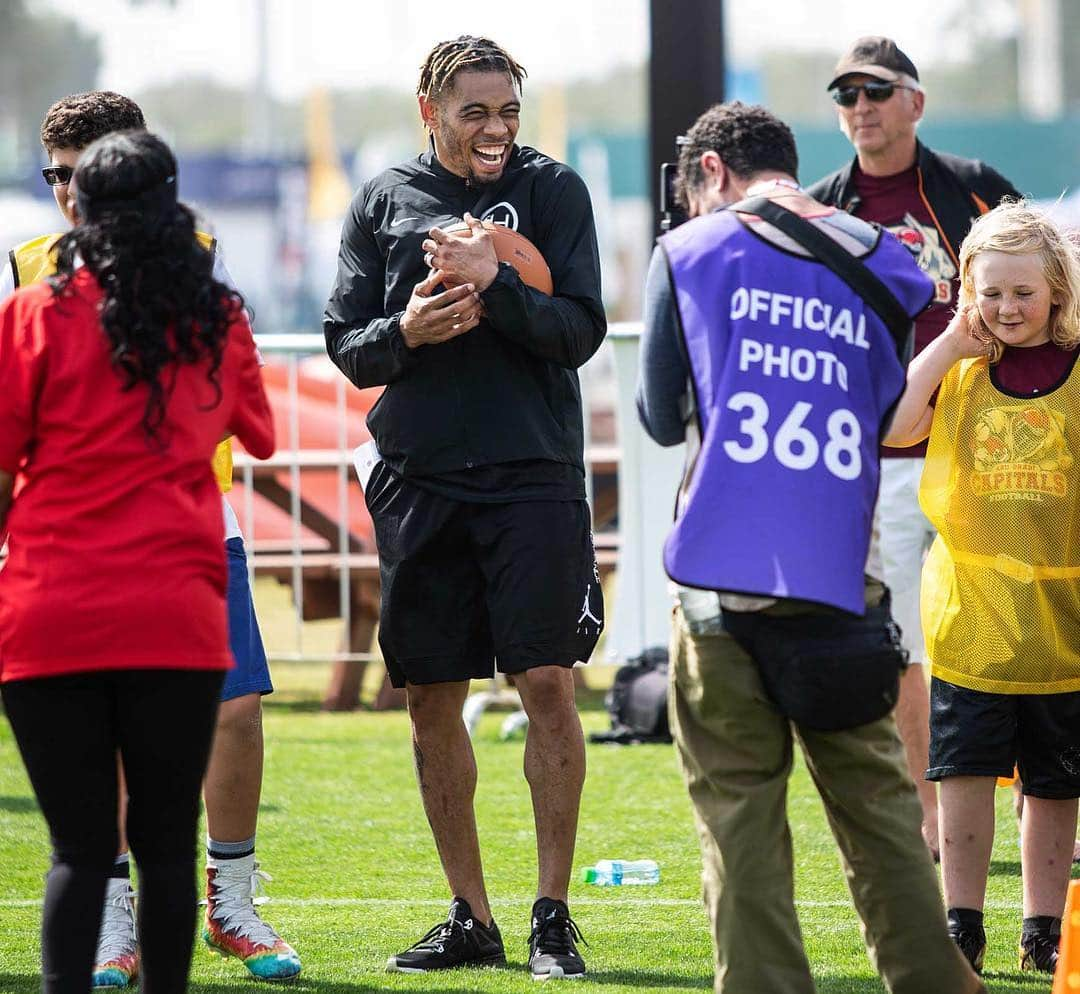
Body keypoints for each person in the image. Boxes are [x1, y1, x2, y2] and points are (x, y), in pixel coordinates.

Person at [637, 101, 984, 994]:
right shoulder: (888, 263)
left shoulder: (688, 253)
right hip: (841, 578)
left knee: (741, 828)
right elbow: (879, 416)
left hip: (720, 582)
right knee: (880, 822)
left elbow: (658, 411)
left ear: (711, 172)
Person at [1, 91, 301, 985]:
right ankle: (116, 927)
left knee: (232, 722)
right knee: (118, 836)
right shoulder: (37, 280)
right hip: (138, 567)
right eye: (54, 174)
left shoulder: (198, 283)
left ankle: (233, 903)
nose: (66, 191)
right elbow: (259, 429)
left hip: (174, 545)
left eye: (80, 173)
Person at [324, 35, 606, 981]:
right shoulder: (381, 199)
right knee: (429, 699)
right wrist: (406, 330)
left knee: (548, 685)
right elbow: (348, 344)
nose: (496, 130)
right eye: (476, 111)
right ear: (430, 110)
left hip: (534, 475)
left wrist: (501, 285)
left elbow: (579, 332)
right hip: (420, 479)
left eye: (509, 112)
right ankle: (472, 917)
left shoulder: (554, 192)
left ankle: (552, 916)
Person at [808, 37, 1021, 859]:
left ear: (915, 102)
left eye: (875, 90)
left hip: (991, 452)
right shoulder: (825, 211)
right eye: (845, 94)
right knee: (905, 646)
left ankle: (1040, 805)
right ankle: (933, 819)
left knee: (1017, 630)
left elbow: (1046, 289)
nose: (859, 106)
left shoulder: (973, 190)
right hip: (885, 461)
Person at [883, 201, 1080, 975]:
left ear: (1057, 292)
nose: (1006, 309)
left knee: (1055, 787)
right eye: (989, 292)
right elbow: (895, 427)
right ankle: (959, 922)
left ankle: (1044, 927)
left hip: (1063, 622)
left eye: (1023, 294)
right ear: (968, 291)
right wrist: (942, 349)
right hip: (973, 618)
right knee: (962, 776)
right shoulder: (961, 369)